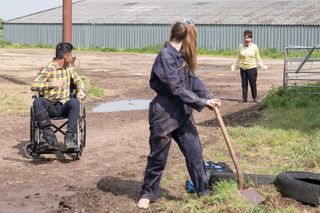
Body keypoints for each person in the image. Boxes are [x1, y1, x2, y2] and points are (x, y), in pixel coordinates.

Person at [137, 19, 221, 209]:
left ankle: (203, 191)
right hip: (164, 114)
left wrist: (208, 96)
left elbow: (193, 80)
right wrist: (201, 102)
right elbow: (176, 88)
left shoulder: (181, 57)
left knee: (195, 154)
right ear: (187, 37)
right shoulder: (165, 56)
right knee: (158, 157)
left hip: (183, 113)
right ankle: (147, 193)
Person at [31, 42, 86, 151]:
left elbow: (78, 81)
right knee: (37, 101)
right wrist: (52, 84)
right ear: (66, 56)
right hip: (49, 107)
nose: (72, 57)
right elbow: (34, 85)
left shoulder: (69, 68)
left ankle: (69, 137)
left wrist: (81, 90)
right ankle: (48, 135)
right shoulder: (48, 69)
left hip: (64, 106)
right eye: (71, 55)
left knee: (74, 102)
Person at [231, 29, 267, 103]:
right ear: (244, 38)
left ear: (251, 38)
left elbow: (258, 57)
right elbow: (238, 57)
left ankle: (255, 98)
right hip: (243, 68)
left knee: (253, 83)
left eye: (249, 38)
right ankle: (244, 98)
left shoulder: (254, 47)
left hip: (252, 68)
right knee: (244, 84)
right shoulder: (241, 46)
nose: (247, 39)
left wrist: (262, 65)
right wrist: (234, 65)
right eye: (246, 38)